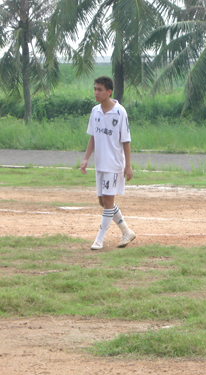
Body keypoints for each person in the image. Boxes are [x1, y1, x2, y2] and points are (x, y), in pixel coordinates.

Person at [80, 76, 136, 250]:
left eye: (100, 89)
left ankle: (99, 239)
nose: (96, 92)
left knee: (108, 202)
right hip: (100, 164)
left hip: (113, 164)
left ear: (109, 92)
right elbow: (93, 137)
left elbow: (126, 140)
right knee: (103, 202)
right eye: (95, 89)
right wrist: (86, 158)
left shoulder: (120, 112)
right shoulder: (95, 111)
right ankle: (126, 231)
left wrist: (128, 165)